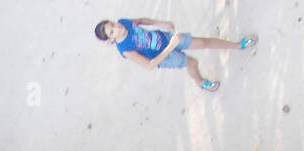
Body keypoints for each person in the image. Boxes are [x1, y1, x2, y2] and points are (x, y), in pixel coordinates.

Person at [95, 18, 256, 92]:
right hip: (165, 57)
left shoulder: (124, 22)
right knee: (191, 63)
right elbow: (149, 65)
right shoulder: (125, 49)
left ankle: (238, 45)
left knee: (203, 42)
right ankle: (201, 83)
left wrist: (161, 23)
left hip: (165, 38)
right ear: (111, 39)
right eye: (112, 31)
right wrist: (171, 47)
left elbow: (142, 21)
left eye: (113, 24)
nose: (117, 28)